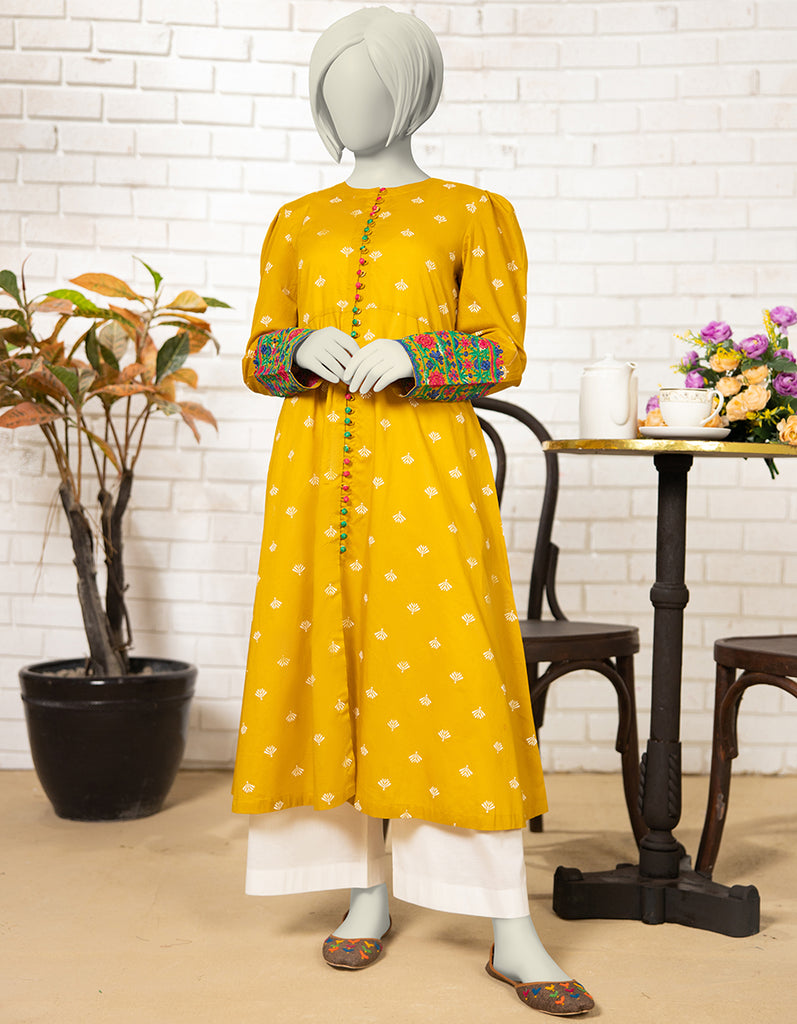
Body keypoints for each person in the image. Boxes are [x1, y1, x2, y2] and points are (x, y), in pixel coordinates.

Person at [232, 7, 594, 1016]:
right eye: (332, 91)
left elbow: (501, 350)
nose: (348, 107)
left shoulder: (473, 212)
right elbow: (258, 354)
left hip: (426, 479)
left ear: (410, 93)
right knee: (328, 671)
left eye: (366, 87)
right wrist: (296, 349)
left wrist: (414, 354)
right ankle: (364, 894)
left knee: (448, 680)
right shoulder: (296, 221)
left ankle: (508, 928)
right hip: (314, 486)